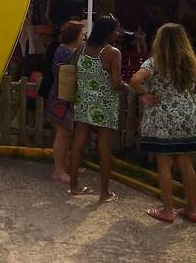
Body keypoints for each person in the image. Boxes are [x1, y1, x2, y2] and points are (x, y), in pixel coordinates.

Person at [131, 23, 196, 223]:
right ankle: (192, 209)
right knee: (185, 163)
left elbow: (135, 80)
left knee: (164, 163)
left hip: (162, 117)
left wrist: (143, 94)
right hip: (187, 115)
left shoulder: (154, 62)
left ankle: (167, 210)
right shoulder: (190, 62)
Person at [69, 16, 128, 202]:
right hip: (105, 105)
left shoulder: (81, 48)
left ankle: (74, 186)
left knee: (78, 142)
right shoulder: (113, 53)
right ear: (109, 32)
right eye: (116, 30)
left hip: (83, 101)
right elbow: (116, 83)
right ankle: (104, 192)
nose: (118, 33)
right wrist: (128, 87)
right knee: (104, 147)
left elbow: (71, 70)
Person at [45, 21, 85, 184]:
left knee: (66, 133)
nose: (83, 37)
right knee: (62, 134)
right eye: (82, 34)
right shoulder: (66, 52)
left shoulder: (65, 49)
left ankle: (64, 164)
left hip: (62, 96)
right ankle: (58, 170)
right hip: (62, 98)